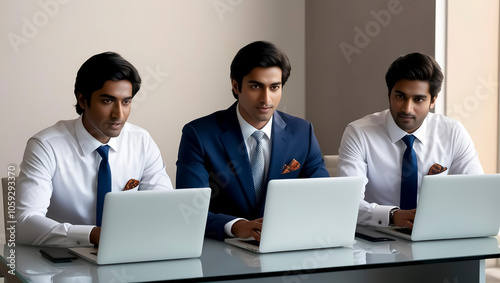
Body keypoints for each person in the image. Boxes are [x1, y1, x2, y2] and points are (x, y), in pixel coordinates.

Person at [16, 52, 173, 247]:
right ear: (83, 100)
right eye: (107, 101)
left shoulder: (142, 141)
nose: (119, 114)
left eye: (126, 101)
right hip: (64, 261)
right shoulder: (46, 146)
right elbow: (23, 224)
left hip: (128, 256)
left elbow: (165, 208)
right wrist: (92, 235)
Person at [176, 41, 329, 241]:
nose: (266, 99)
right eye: (256, 86)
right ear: (235, 85)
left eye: (275, 87)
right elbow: (189, 210)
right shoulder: (199, 134)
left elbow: (323, 199)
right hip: (222, 251)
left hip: (287, 245)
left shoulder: (302, 133)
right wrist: (236, 226)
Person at [338, 52, 483, 229]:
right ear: (389, 94)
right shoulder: (359, 133)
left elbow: (476, 195)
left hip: (436, 235)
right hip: (377, 237)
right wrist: (392, 215)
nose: (407, 108)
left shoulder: (453, 133)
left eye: (418, 99)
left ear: (433, 101)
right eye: (400, 96)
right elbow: (348, 204)